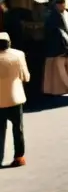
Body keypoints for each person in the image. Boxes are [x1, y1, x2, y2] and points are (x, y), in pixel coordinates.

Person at [0, 32, 29, 167]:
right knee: (18, 129)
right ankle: (19, 157)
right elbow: (26, 77)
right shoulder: (18, 55)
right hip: (15, 98)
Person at [42, 0, 68, 96]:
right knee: (65, 68)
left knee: (61, 69)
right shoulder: (58, 15)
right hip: (62, 46)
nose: (62, 6)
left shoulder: (55, 15)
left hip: (61, 46)